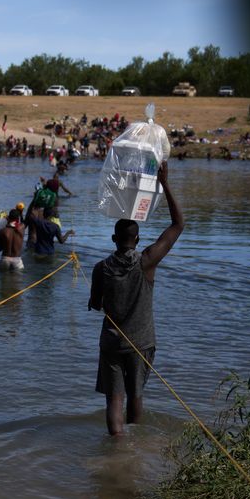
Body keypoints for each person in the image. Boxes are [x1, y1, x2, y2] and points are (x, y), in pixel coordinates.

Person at [88, 162, 184, 436]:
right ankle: (133, 448)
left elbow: (96, 304)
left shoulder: (100, 268)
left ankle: (117, 445)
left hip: (111, 343)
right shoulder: (147, 261)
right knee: (136, 394)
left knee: (114, 400)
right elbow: (178, 225)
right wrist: (165, 184)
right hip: (141, 342)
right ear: (138, 239)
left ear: (113, 239)